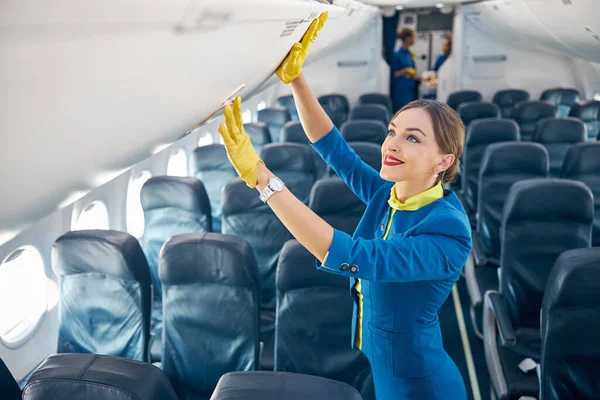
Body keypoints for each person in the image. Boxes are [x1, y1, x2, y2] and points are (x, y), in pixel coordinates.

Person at [217, 12, 471, 400]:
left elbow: (348, 253)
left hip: (419, 381)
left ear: (443, 161)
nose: (392, 145)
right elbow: (335, 148)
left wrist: (263, 180)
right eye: (392, 132)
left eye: (413, 139)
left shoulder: (447, 231)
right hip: (380, 358)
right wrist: (296, 80)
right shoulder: (390, 194)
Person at [392, 28, 419, 112]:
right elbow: (394, 74)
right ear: (407, 39)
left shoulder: (409, 54)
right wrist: (405, 70)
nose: (415, 40)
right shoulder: (397, 55)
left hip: (411, 89)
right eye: (413, 37)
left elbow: (413, 70)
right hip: (401, 91)